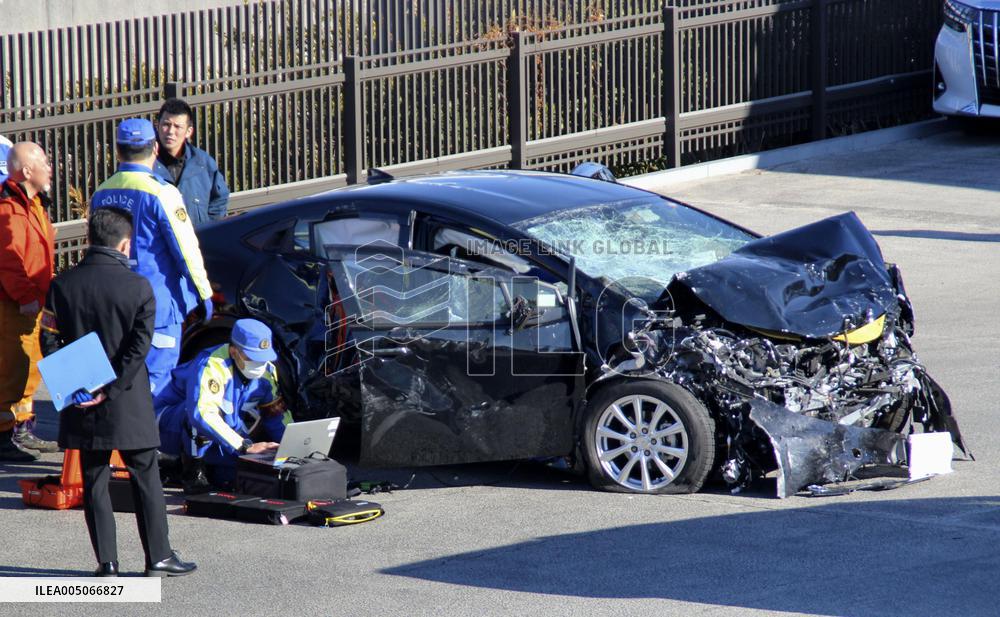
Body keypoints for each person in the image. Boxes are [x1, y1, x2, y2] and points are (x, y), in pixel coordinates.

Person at [40, 207, 196, 577]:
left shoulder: (62, 285)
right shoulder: (139, 287)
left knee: (94, 479)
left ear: (89, 239)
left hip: (80, 398)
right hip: (128, 400)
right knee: (145, 477)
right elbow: (138, 349)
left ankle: (107, 563)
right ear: (125, 244)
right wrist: (110, 387)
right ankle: (158, 557)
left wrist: (80, 385)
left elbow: (48, 340)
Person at [90, 118, 213, 397]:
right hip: (158, 307)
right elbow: (186, 250)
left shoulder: (101, 193)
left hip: (112, 307)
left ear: (117, 151)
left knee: (117, 382)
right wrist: (203, 293)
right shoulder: (162, 192)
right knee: (156, 386)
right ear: (155, 148)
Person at [154, 319, 286, 494]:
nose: (259, 364)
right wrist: (245, 446)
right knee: (199, 415)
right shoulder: (212, 364)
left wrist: (291, 446)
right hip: (168, 425)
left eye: (263, 358)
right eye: (252, 358)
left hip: (221, 430)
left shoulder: (267, 372)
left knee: (234, 475)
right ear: (233, 351)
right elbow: (202, 415)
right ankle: (193, 472)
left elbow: (275, 414)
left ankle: (184, 467)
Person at [0, 141, 59, 461]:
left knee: (29, 368)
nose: (50, 168)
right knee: (11, 370)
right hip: (15, 306)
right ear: (26, 171)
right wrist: (25, 297)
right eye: (44, 162)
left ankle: (20, 427)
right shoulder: (8, 209)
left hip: (33, 302)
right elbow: (8, 261)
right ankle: (3, 434)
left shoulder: (33, 204)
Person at [153, 98, 229, 225]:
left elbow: (220, 198)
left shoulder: (203, 163)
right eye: (166, 124)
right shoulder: (146, 163)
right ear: (157, 126)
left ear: (189, 131)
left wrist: (209, 226)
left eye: (177, 126)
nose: (170, 131)